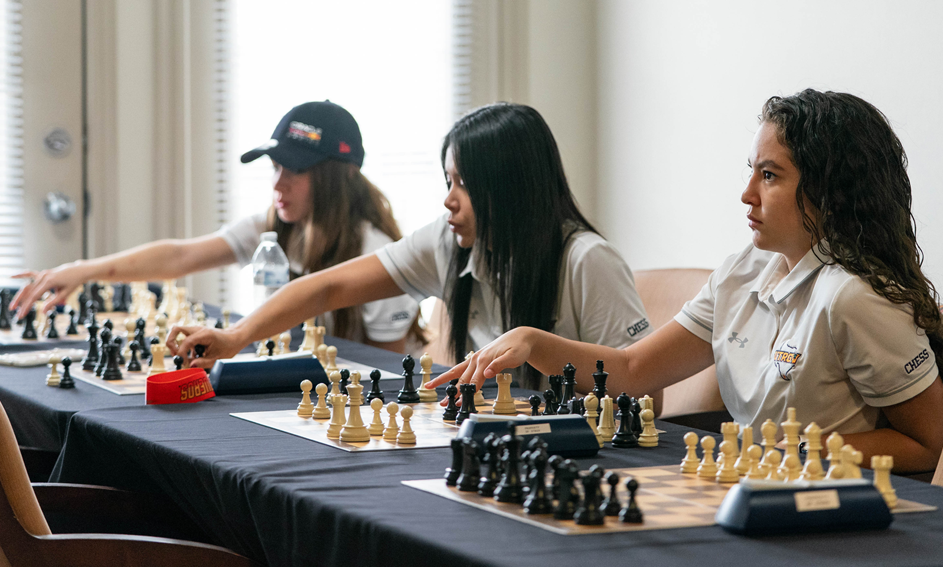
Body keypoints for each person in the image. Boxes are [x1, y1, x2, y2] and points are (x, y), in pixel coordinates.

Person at [431, 89, 943, 474]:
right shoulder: (738, 274)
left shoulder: (853, 296)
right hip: (757, 483)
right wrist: (533, 342)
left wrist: (795, 449)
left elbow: (929, 445)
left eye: (770, 175)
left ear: (829, 191)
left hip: (836, 509)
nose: (747, 193)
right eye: (751, 170)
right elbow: (635, 370)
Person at [168, 103, 653, 389]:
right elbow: (326, 288)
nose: (449, 200)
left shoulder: (587, 260)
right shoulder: (448, 241)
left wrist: (544, 349)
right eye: (448, 180)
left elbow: (646, 392)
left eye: (463, 184)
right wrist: (235, 338)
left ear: (508, 189)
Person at [10, 101, 422, 353]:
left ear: (335, 177)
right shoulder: (273, 227)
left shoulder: (376, 250)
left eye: (294, 170)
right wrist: (83, 269)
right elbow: (181, 256)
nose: (278, 183)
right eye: (275, 167)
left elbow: (383, 372)